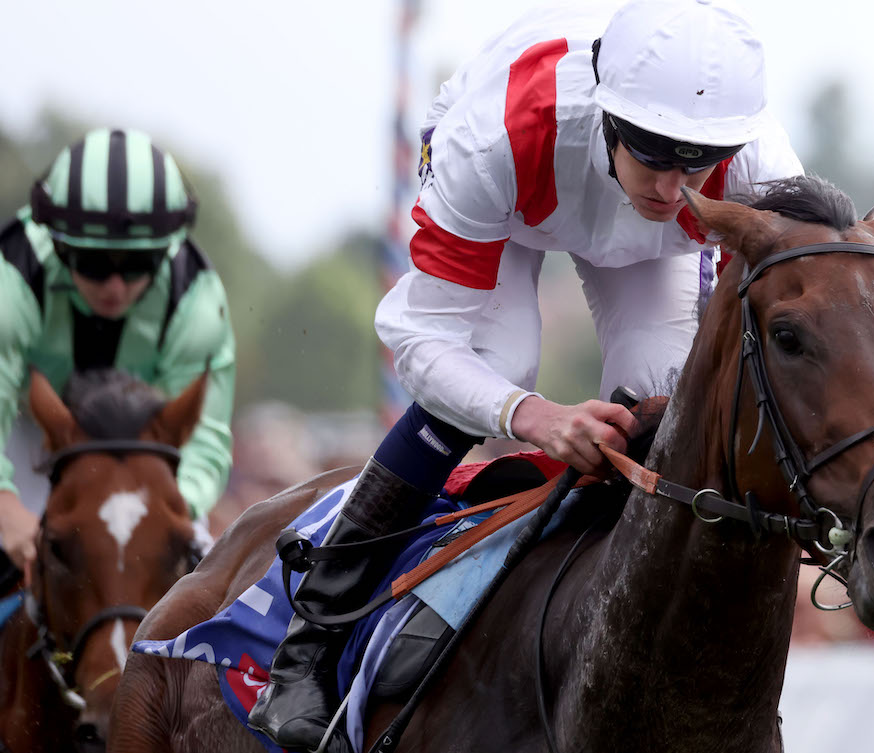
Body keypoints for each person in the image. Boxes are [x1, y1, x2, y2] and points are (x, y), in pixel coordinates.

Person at [248, 0, 804, 748]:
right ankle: (308, 644)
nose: (673, 189)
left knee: (659, 390)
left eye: (696, 162)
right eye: (654, 153)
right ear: (609, 118)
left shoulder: (761, 165)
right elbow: (419, 344)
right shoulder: (493, 139)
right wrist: (534, 415)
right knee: (496, 367)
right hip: (513, 199)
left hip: (641, 244)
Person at [0, 128, 236, 584]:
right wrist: (5, 505)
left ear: (165, 253)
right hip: (24, 431)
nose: (115, 286)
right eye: (92, 262)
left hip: (140, 448)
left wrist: (170, 506)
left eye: (137, 265)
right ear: (60, 244)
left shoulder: (197, 300)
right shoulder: (12, 279)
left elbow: (204, 441)